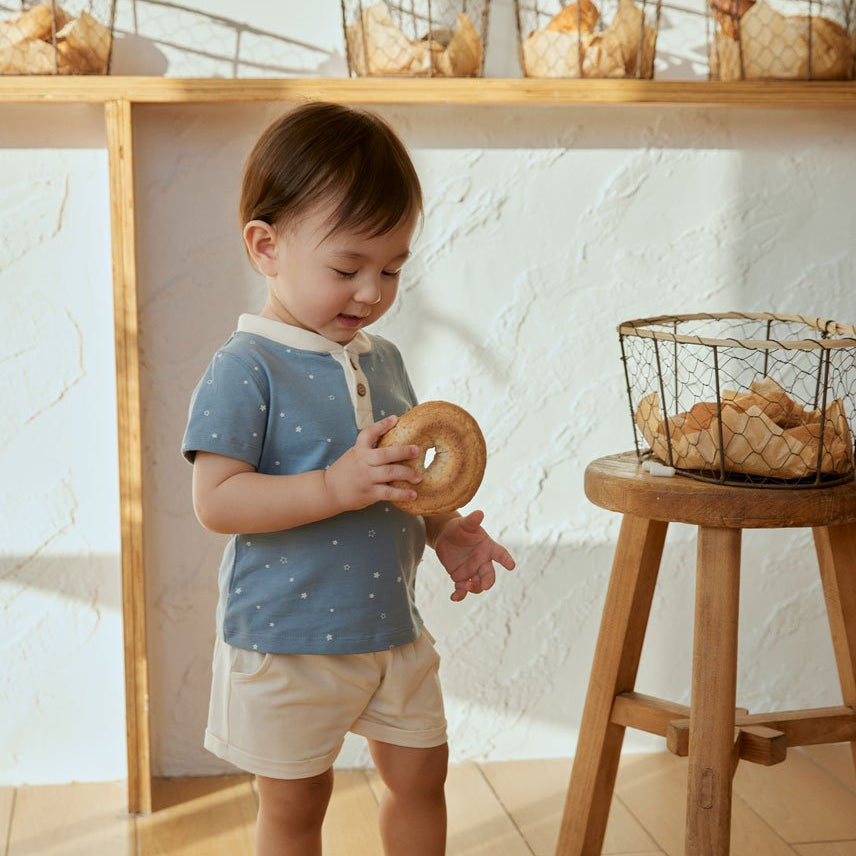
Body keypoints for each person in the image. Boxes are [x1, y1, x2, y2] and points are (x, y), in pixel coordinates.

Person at [181, 101, 515, 856]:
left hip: (391, 628)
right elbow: (216, 501)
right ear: (266, 247)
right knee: (297, 805)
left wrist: (444, 531)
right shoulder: (246, 368)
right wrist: (332, 487)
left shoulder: (382, 359)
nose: (372, 291)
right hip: (287, 641)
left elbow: (400, 482)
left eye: (392, 268)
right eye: (346, 268)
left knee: (423, 776)